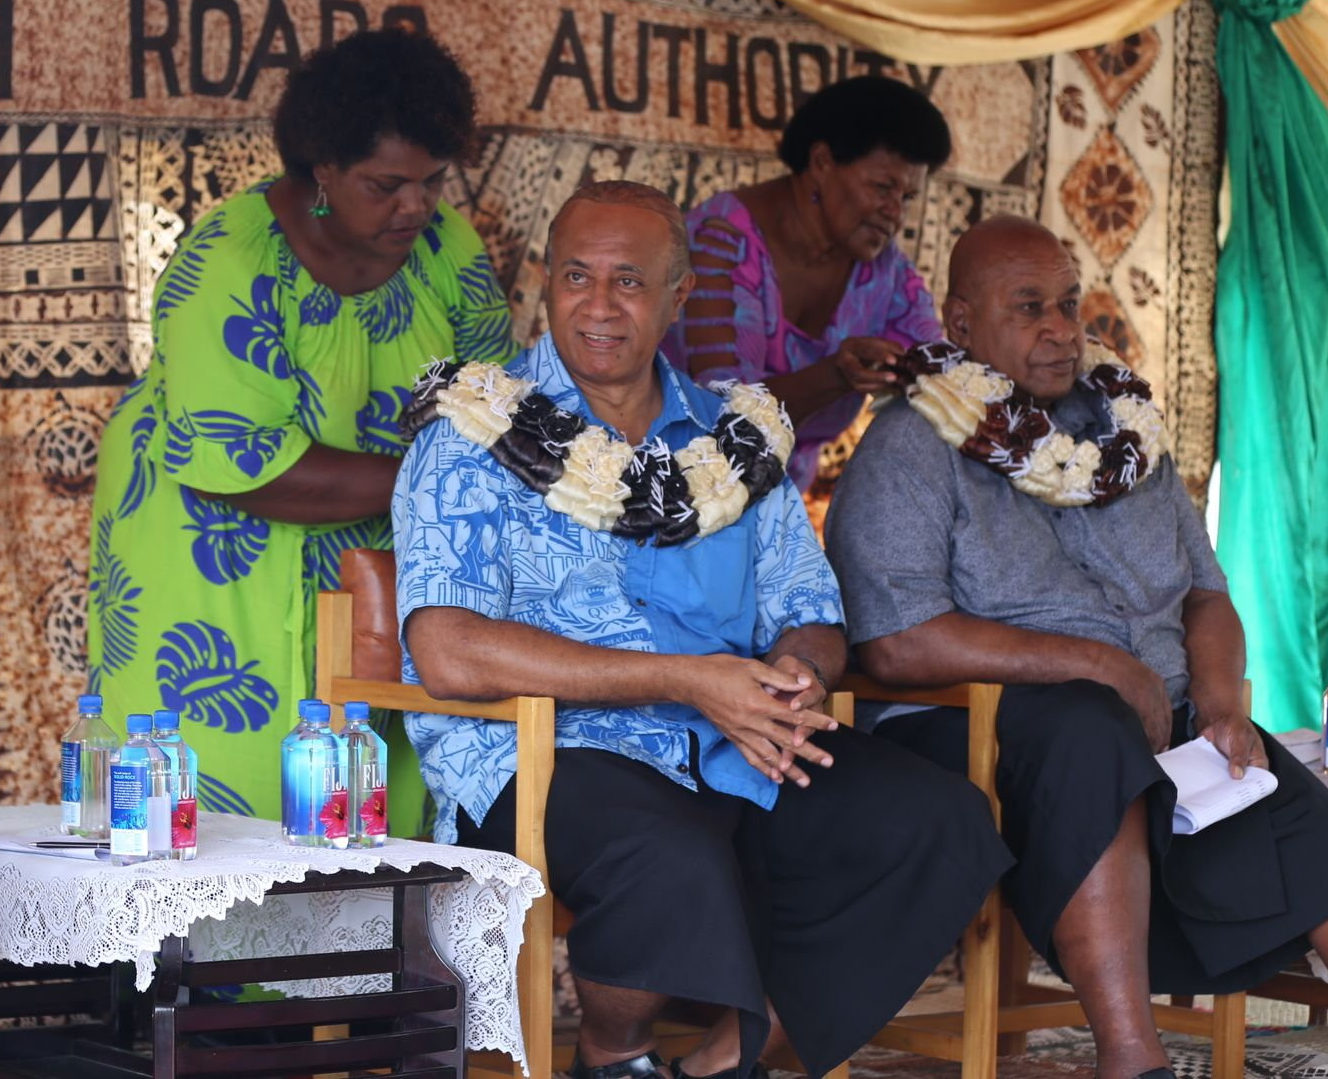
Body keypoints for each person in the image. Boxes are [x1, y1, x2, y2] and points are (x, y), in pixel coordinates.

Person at [395, 180, 1009, 1079]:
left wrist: (797, 675)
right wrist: (688, 679)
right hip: (547, 754)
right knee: (667, 854)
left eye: (629, 282)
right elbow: (446, 650)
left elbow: (810, 610)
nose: (598, 306)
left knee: (937, 821)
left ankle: (732, 1053)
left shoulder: (737, 439)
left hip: (731, 737)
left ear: (678, 296)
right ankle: (613, 1055)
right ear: (547, 285)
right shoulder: (474, 430)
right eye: (575, 276)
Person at [828, 216, 1328, 1079]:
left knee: (1263, 782)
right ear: (960, 322)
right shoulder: (909, 447)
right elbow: (895, 643)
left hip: (1159, 714)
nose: (1062, 328)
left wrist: (1221, 703)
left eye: (1068, 304)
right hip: (979, 726)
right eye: (1028, 307)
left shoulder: (1125, 433)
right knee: (1088, 729)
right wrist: (1101, 665)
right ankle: (1130, 1058)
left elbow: (1207, 596)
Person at [86, 27, 517, 820]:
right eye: (386, 184)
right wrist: (433, 481)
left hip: (375, 561)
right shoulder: (230, 263)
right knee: (230, 798)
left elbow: (495, 402)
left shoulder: (445, 247)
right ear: (322, 168)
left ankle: (367, 951)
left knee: (375, 799)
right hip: (215, 557)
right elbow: (251, 467)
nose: (416, 205)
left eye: (431, 180)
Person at [663, 75, 951, 489]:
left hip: (780, 502)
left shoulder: (888, 276)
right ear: (821, 163)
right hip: (672, 488)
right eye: (883, 187)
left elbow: (942, 375)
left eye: (906, 198)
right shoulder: (717, 247)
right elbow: (726, 418)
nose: (897, 215)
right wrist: (835, 375)